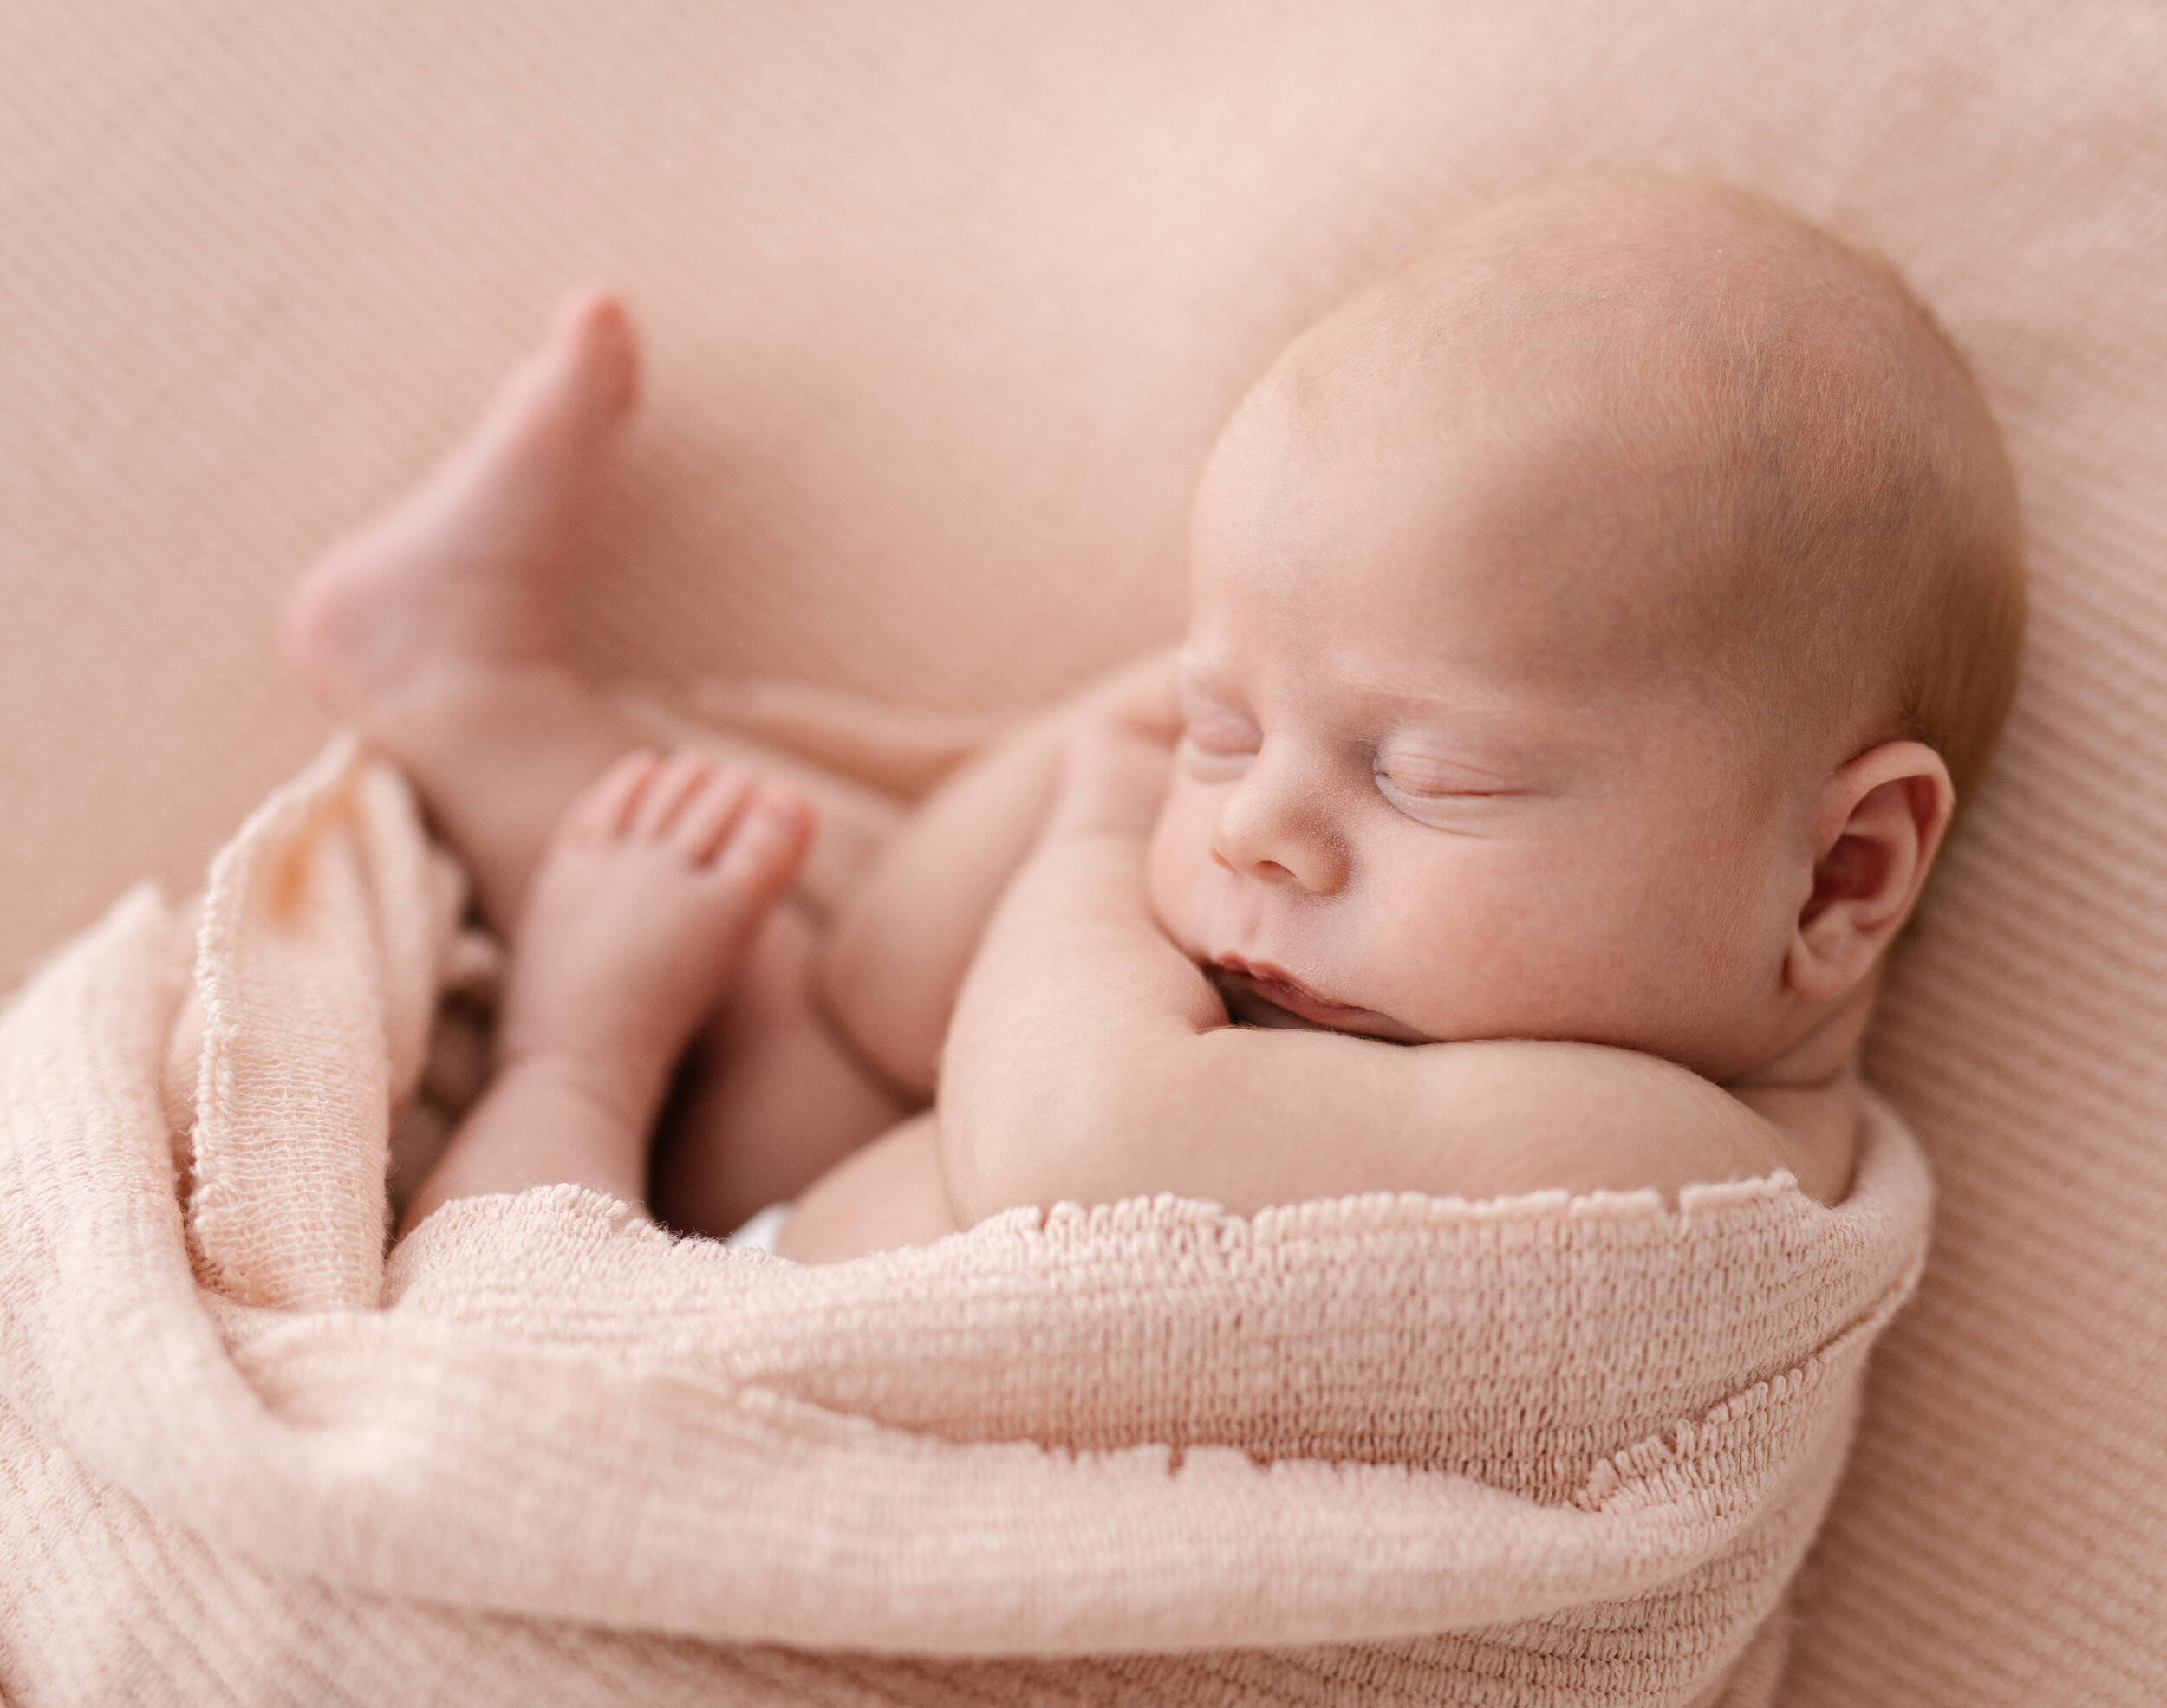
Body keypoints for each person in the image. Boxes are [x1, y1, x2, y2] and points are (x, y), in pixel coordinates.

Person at [283, 176, 2024, 1263]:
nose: (1258, 823)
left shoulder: (1676, 1171)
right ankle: (457, 686)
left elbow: (1067, 1136)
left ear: (1837, 874)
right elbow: (890, 987)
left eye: (1426, 766)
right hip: (783, 1233)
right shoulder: (1329, 981)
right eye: (1217, 722)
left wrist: (1105, 827)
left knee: (543, 1207)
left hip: (649, 1380)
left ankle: (567, 1055)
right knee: (766, 993)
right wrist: (1168, 733)